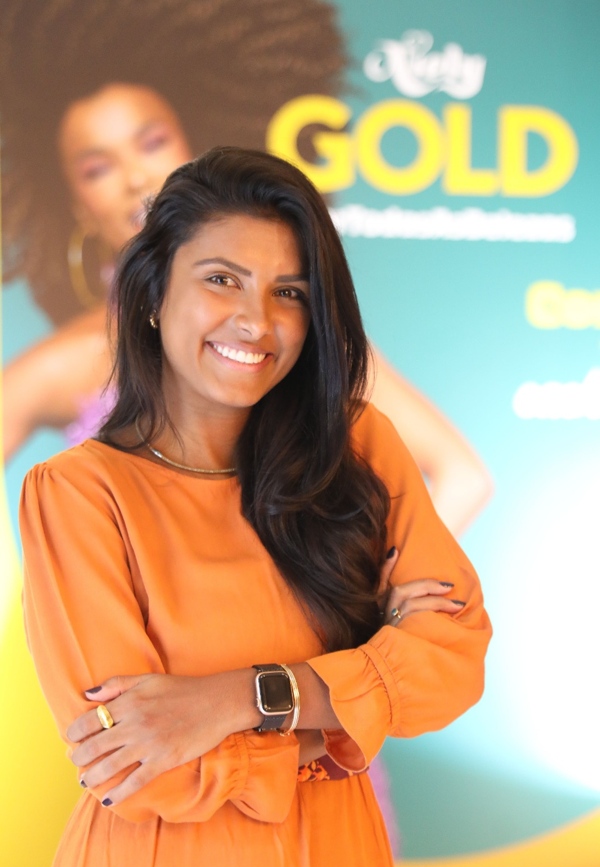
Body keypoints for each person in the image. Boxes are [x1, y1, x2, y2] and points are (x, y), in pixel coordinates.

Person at [19, 147, 491, 867]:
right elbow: (139, 770)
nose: (256, 320)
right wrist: (346, 713)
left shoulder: (359, 449)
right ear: (152, 292)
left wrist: (237, 699)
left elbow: (451, 662)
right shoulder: (79, 494)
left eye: (289, 292)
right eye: (220, 279)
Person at [1, 0, 492, 537]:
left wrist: (377, 591)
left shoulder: (289, 326)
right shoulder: (67, 363)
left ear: (198, 152)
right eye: (98, 168)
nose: (135, 177)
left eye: (153, 142)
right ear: (75, 205)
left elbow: (463, 477)